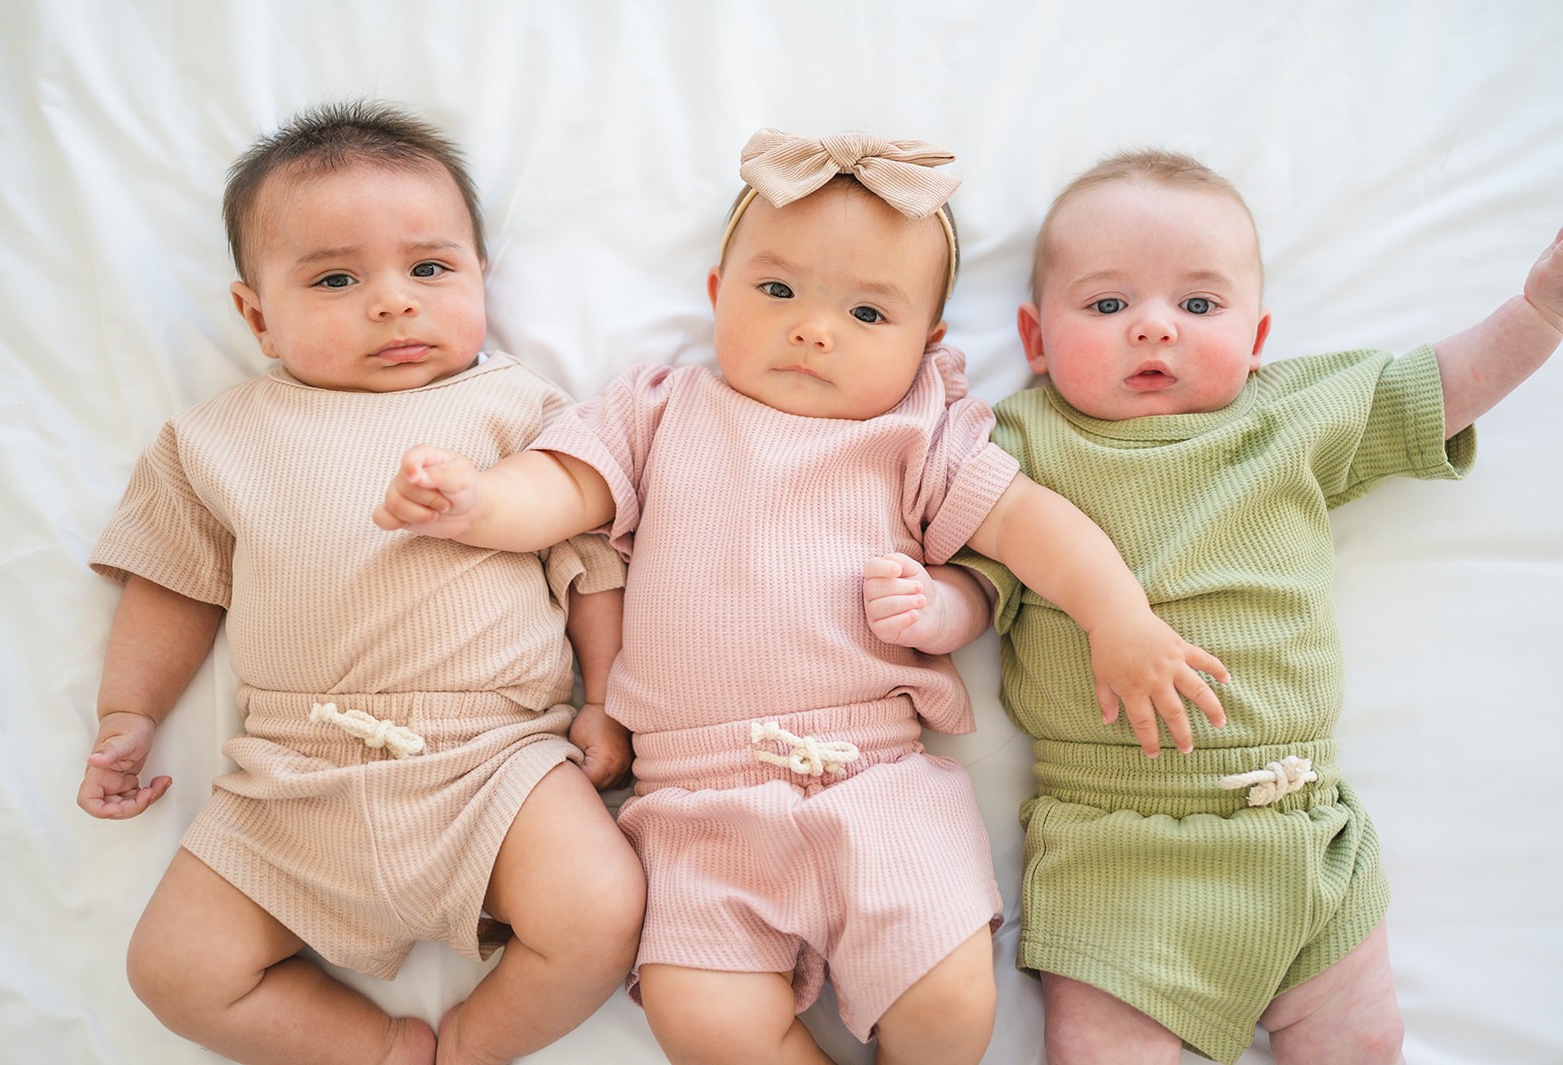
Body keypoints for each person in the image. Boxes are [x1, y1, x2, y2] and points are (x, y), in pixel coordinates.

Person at [374, 128, 1227, 1065]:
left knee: (949, 1002)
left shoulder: (918, 433)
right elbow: (562, 486)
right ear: (717, 294)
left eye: (867, 313)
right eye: (777, 291)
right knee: (703, 1021)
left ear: (926, 346)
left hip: (877, 780)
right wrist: (480, 501)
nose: (815, 329)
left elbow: (1029, 522)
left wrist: (1118, 615)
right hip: (696, 803)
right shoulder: (658, 409)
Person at [951, 149, 1563, 1064]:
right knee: (1102, 1046)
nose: (1154, 327)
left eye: (1200, 305)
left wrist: (1539, 314)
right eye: (1108, 304)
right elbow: (975, 564)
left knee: (1365, 1036)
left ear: (1256, 335)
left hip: (1298, 820)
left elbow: (1436, 388)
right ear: (1035, 340)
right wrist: (938, 608)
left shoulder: (1290, 415)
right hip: (1114, 843)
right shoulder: (1019, 441)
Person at [75, 100, 645, 1065]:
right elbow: (172, 582)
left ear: (480, 276)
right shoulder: (214, 439)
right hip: (293, 776)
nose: (392, 302)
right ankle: (377, 1050)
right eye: (336, 278)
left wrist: (606, 698)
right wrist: (127, 711)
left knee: (602, 908)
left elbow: (593, 558)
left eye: (430, 269)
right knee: (174, 970)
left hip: (495, 761)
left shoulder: (521, 409)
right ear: (257, 316)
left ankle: (474, 1046)